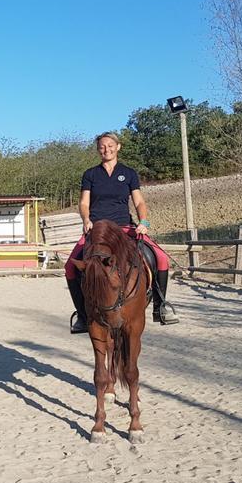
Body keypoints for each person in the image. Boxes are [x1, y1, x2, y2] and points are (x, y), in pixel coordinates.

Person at [65, 131, 179, 334]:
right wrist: (86, 219)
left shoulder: (129, 173)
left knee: (162, 259)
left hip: (124, 227)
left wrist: (143, 221)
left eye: (110, 145)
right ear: (98, 149)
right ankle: (82, 316)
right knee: (70, 267)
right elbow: (84, 203)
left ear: (118, 147)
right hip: (98, 229)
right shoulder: (90, 174)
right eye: (102, 146)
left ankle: (159, 307)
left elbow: (139, 201)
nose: (106, 149)